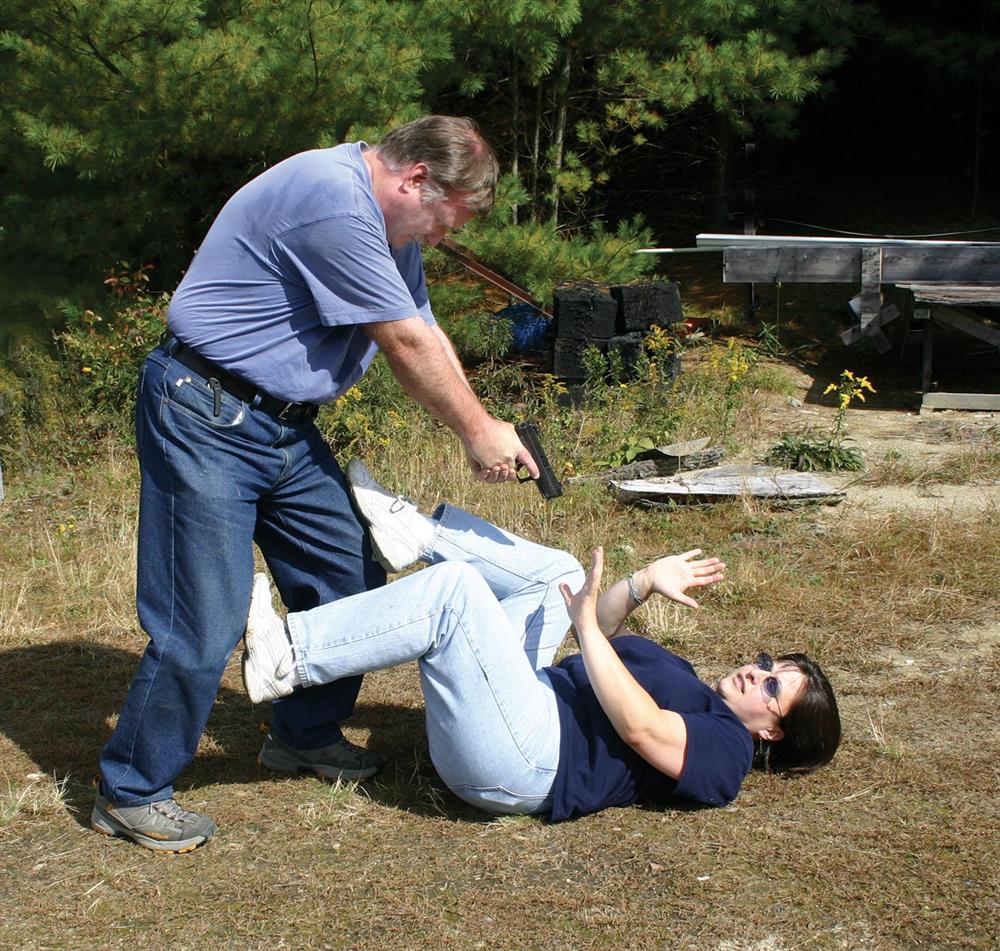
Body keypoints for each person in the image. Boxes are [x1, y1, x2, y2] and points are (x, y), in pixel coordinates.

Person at [92, 116, 539, 853]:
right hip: (203, 409)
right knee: (201, 619)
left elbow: (422, 325)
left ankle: (302, 735)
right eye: (439, 222)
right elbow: (397, 341)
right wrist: (475, 432)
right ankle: (131, 787)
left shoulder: (391, 224)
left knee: (350, 575)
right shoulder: (333, 200)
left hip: (282, 425)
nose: (434, 239)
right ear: (416, 179)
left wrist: (486, 421)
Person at [241, 460, 842, 822]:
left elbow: (642, 730)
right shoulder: (690, 680)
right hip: (525, 702)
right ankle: (415, 532)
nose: (755, 672)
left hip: (526, 763)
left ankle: (288, 656)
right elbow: (597, 630)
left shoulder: (728, 755)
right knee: (560, 572)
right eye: (768, 662)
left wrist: (583, 628)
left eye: (771, 686)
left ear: (772, 731)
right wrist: (641, 583)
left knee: (455, 593)